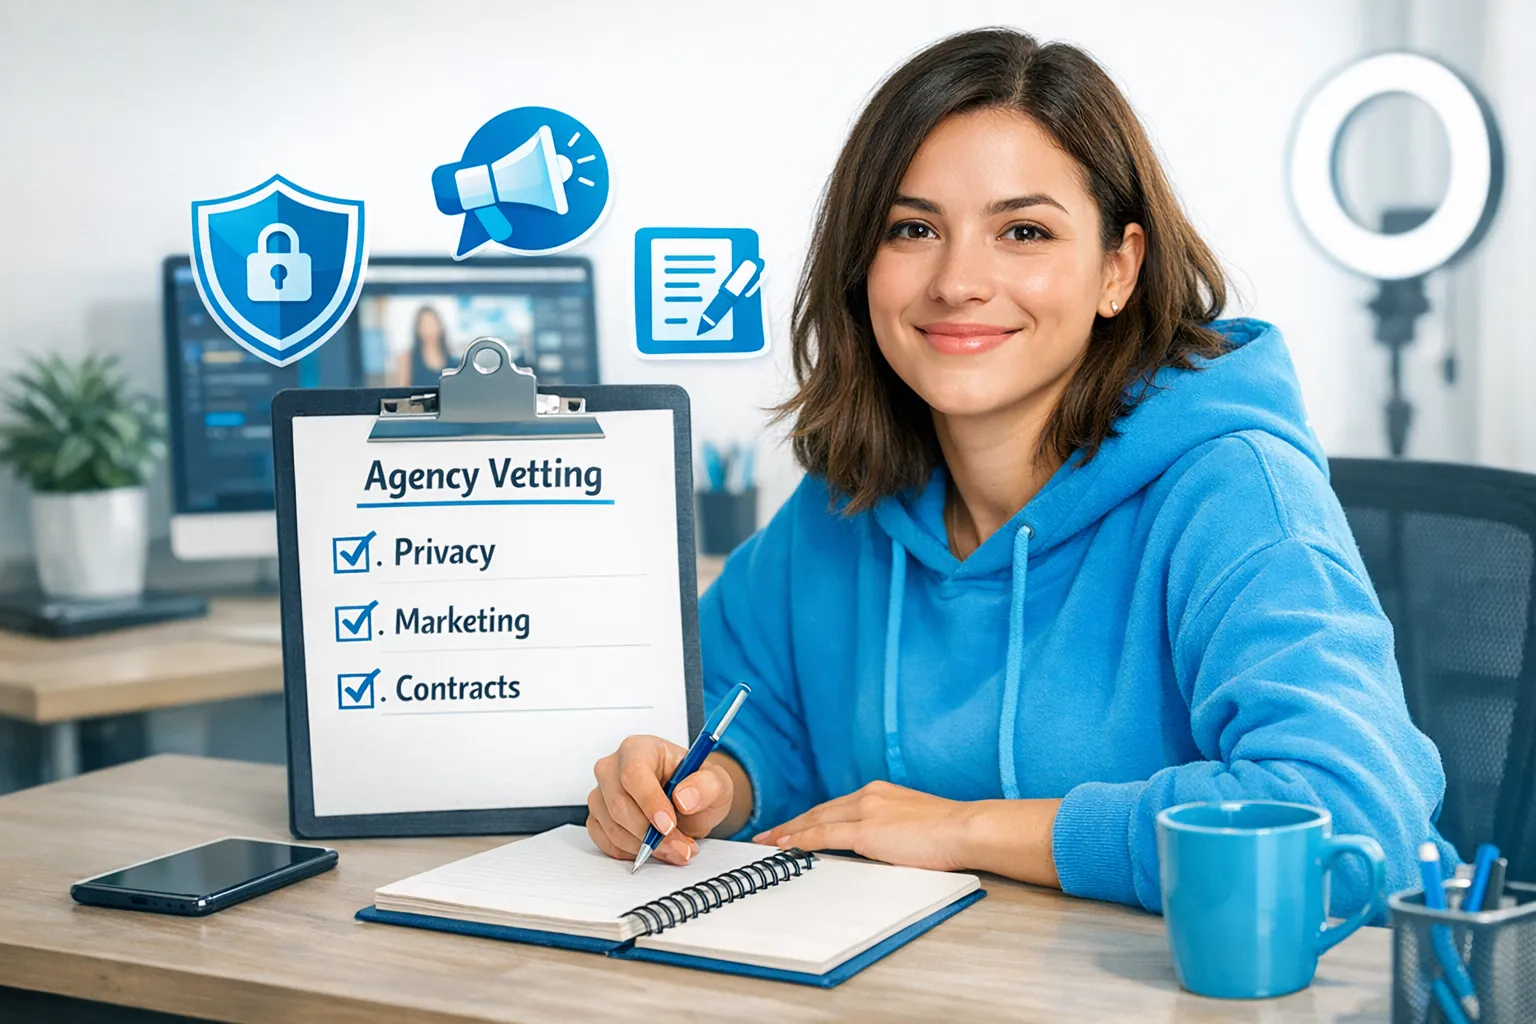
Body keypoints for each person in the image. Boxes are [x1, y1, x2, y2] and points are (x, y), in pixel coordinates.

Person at [585, 28, 1455, 916]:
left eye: (1024, 231)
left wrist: (966, 831)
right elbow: (757, 716)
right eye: (913, 229)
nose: (958, 281)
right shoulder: (844, 503)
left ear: (1118, 268)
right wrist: (703, 786)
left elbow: (1357, 823)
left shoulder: (1233, 493)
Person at [394, 305, 450, 386]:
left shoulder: (453, 361)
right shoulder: (407, 358)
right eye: (424, 325)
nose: (428, 329)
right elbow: (401, 390)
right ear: (417, 329)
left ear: (440, 326)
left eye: (432, 324)